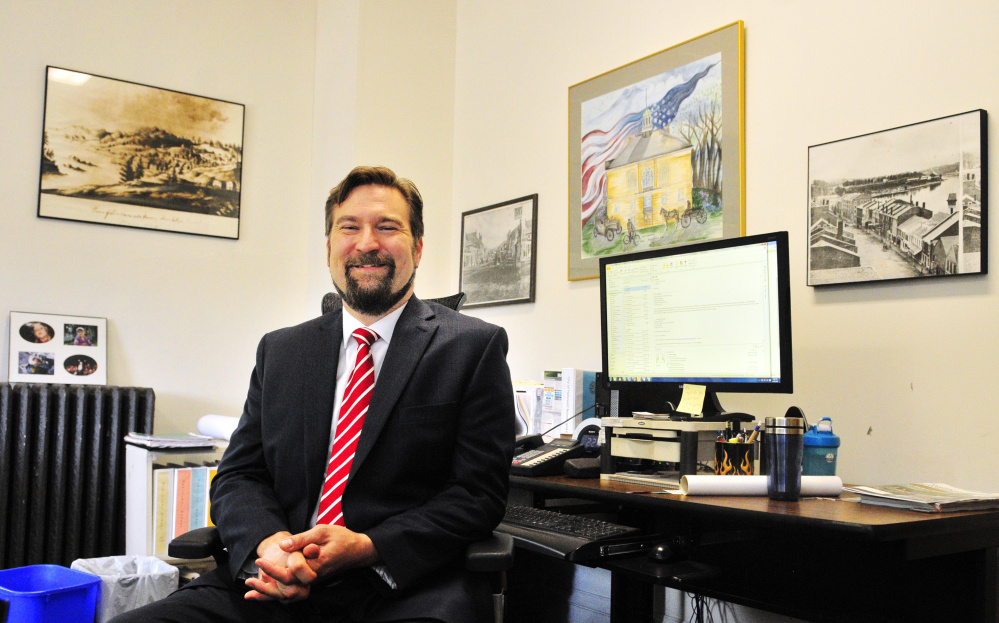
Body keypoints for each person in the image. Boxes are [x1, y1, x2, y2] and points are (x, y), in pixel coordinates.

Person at [112, 166, 515, 623]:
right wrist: (271, 547)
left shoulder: (471, 347)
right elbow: (239, 475)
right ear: (329, 249)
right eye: (349, 227)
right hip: (272, 578)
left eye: (387, 227)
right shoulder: (281, 350)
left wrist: (367, 547)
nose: (366, 243)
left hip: (398, 585)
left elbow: (476, 494)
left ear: (417, 247)